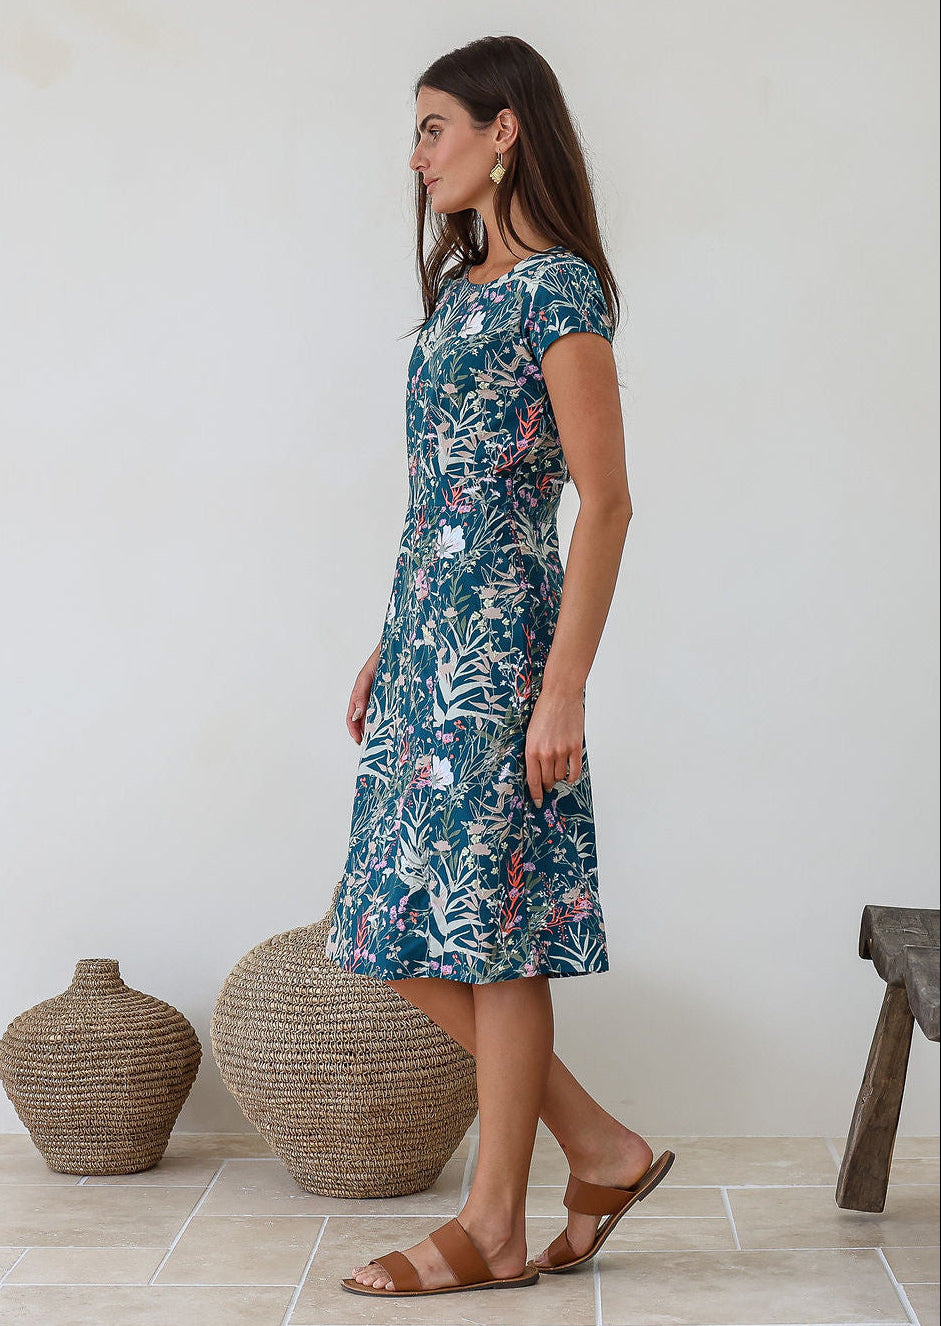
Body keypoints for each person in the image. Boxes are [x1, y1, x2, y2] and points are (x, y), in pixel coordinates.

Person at [325, 35, 674, 1298]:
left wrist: (563, 683)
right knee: (394, 924)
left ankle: (493, 1226)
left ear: (501, 129)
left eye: (433, 128)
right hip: (430, 640)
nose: (416, 156)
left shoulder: (558, 293)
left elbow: (609, 503)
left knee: (496, 936)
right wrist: (392, 633)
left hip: (507, 653)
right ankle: (601, 1148)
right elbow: (442, 498)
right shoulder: (462, 292)